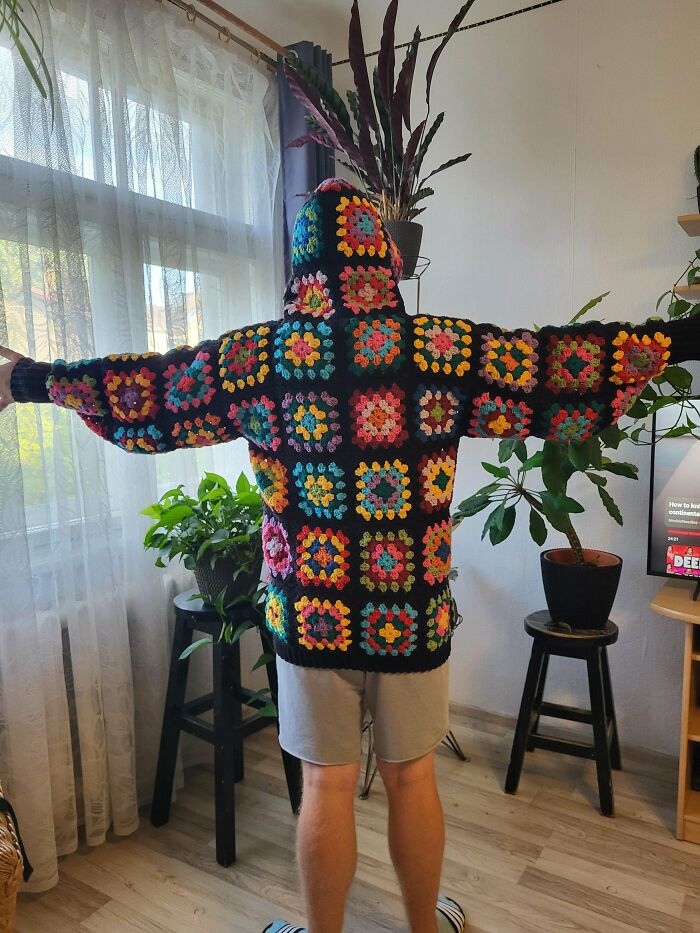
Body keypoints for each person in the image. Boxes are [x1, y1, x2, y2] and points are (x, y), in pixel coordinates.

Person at [1, 177, 698, 933]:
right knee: (412, 776)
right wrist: (685, 340)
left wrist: (23, 379)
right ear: (380, 255)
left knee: (327, 786)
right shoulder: (441, 349)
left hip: (309, 613)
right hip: (411, 614)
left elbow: (148, 391)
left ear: (301, 266)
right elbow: (555, 366)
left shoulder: (257, 359)